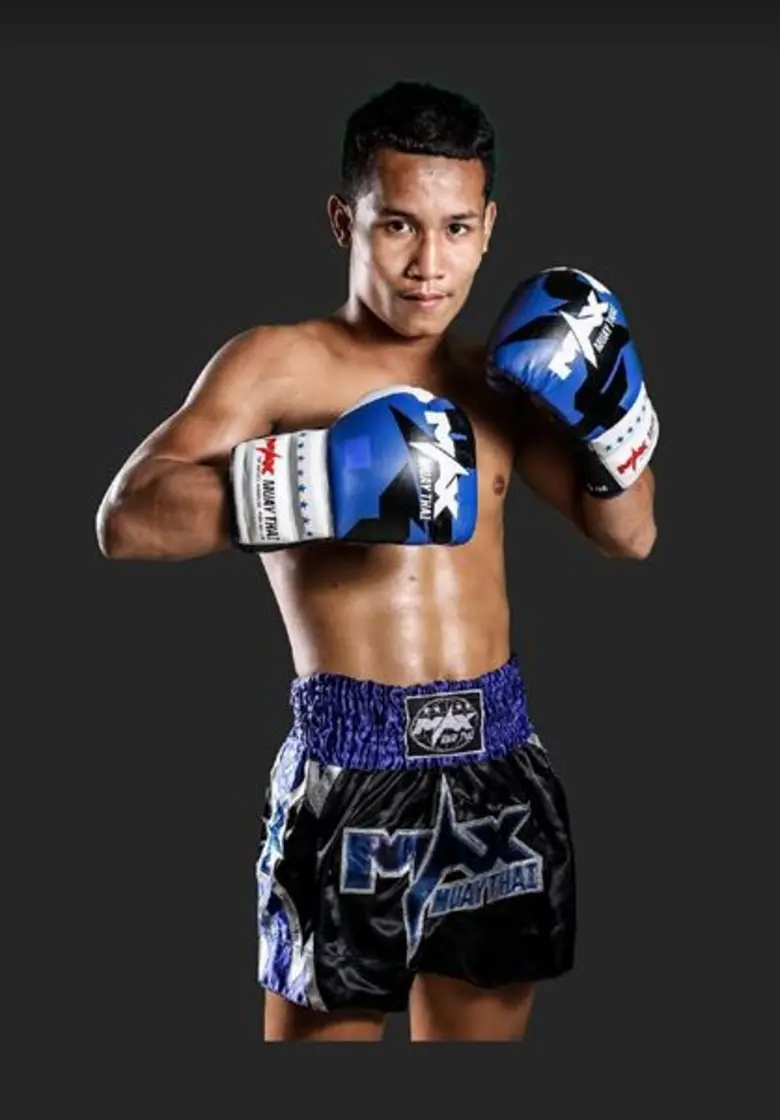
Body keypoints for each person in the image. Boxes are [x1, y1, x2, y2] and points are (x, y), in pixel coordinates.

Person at [96, 80, 659, 1043]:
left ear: (488, 228)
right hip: (351, 760)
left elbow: (630, 535)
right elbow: (126, 517)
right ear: (343, 220)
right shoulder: (275, 364)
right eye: (398, 225)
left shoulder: (502, 379)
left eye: (455, 229)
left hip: (497, 762)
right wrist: (323, 482)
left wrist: (615, 415)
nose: (428, 264)